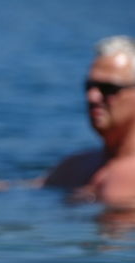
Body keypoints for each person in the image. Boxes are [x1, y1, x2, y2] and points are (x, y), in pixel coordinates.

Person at [44, 36, 135, 209]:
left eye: (108, 88)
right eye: (89, 87)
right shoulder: (75, 167)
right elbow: (28, 189)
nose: (92, 97)